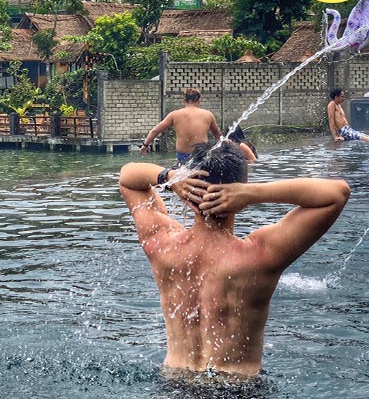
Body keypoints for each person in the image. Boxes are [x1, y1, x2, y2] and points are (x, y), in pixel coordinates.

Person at [119, 141, 350, 379]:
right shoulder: (260, 255)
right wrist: (252, 194)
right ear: (240, 189)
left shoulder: (162, 245)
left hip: (174, 381)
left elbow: (128, 177)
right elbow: (336, 193)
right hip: (238, 387)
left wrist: (169, 177)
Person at [141, 88, 221, 164]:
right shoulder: (208, 115)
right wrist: (218, 150)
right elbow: (218, 135)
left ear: (184, 101)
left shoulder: (174, 115)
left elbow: (155, 130)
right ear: (199, 100)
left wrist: (145, 145)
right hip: (201, 156)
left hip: (183, 156)